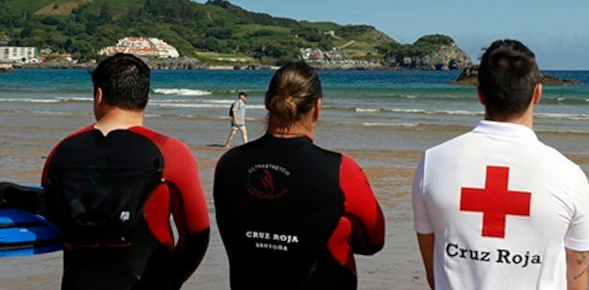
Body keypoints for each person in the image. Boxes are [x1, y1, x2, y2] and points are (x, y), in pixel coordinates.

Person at [412, 39, 589, 290]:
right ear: (538, 93)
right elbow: (575, 281)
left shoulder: (433, 163)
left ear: (480, 95)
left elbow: (434, 273)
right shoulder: (570, 176)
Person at [41, 53, 210, 290]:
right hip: (148, 282)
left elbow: (53, 220)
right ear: (147, 98)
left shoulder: (62, 151)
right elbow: (197, 235)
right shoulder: (170, 152)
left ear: (99, 96)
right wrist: (172, 280)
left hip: (77, 281)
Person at [214, 61, 385, 290]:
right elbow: (373, 241)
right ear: (317, 107)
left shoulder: (228, 164)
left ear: (267, 102)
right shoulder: (342, 171)